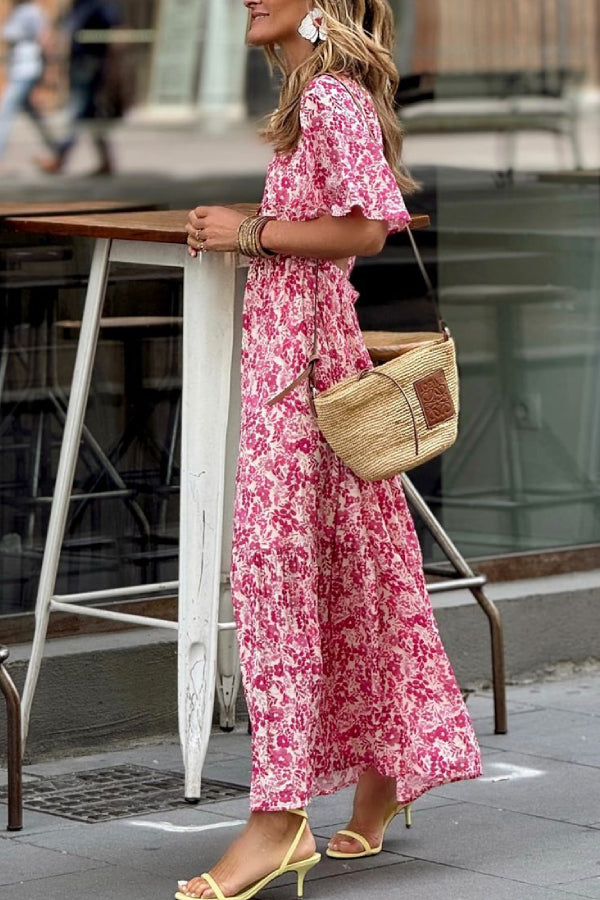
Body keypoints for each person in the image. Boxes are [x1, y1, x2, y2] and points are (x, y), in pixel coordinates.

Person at [179, 2, 482, 899]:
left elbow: (367, 229)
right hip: (304, 365)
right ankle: (388, 767)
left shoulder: (329, 98)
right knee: (360, 568)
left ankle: (279, 821)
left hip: (306, 375)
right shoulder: (316, 92)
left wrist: (248, 232)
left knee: (272, 576)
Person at [36, 0, 123, 175]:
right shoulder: (77, 5)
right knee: (90, 114)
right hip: (78, 63)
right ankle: (106, 161)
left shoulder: (98, 4)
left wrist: (114, 68)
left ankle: (59, 158)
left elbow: (116, 32)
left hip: (91, 63)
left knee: (78, 111)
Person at [0, 0, 55, 165]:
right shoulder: (20, 11)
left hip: (27, 69)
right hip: (19, 69)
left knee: (5, 111)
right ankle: (58, 148)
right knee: (33, 115)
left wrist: (49, 68)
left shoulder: (31, 11)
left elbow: (44, 38)